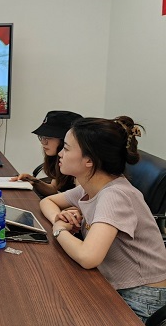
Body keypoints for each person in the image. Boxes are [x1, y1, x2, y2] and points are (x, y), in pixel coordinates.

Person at [39, 116, 166, 323]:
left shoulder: (114, 195)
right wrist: (60, 216)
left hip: (142, 296)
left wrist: (59, 228)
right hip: (116, 284)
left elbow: (88, 257)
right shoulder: (91, 186)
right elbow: (48, 202)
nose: (60, 153)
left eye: (67, 149)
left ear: (89, 160)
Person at [12, 110, 82, 196]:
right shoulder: (58, 160)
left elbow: (78, 201)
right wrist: (34, 181)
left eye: (48, 137)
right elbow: (54, 189)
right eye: (41, 137)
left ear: (65, 139)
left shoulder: (80, 168)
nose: (43, 142)